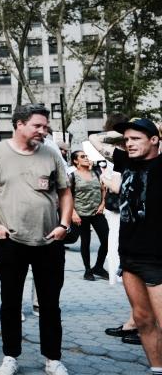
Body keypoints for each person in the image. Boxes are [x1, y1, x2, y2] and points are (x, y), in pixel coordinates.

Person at [0, 104, 72, 375]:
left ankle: (53, 359)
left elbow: (65, 192)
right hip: (9, 240)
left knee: (50, 304)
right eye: (37, 126)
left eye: (45, 126)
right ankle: (10, 356)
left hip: (49, 241)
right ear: (19, 124)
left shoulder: (51, 154)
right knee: (10, 301)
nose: (43, 131)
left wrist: (64, 224)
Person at [92, 118, 162, 371]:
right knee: (142, 320)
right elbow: (95, 140)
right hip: (130, 255)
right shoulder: (125, 161)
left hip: (158, 257)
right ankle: (157, 369)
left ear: (155, 140)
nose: (129, 143)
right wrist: (127, 129)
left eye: (136, 139)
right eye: (126, 139)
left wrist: (155, 127)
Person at [68, 150, 109, 280]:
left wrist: (102, 204)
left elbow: (103, 189)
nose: (86, 158)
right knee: (86, 242)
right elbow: (67, 195)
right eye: (82, 157)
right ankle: (87, 270)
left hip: (97, 212)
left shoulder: (96, 173)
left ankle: (98, 267)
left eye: (86, 156)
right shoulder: (72, 176)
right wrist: (73, 213)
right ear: (76, 161)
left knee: (106, 239)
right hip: (81, 213)